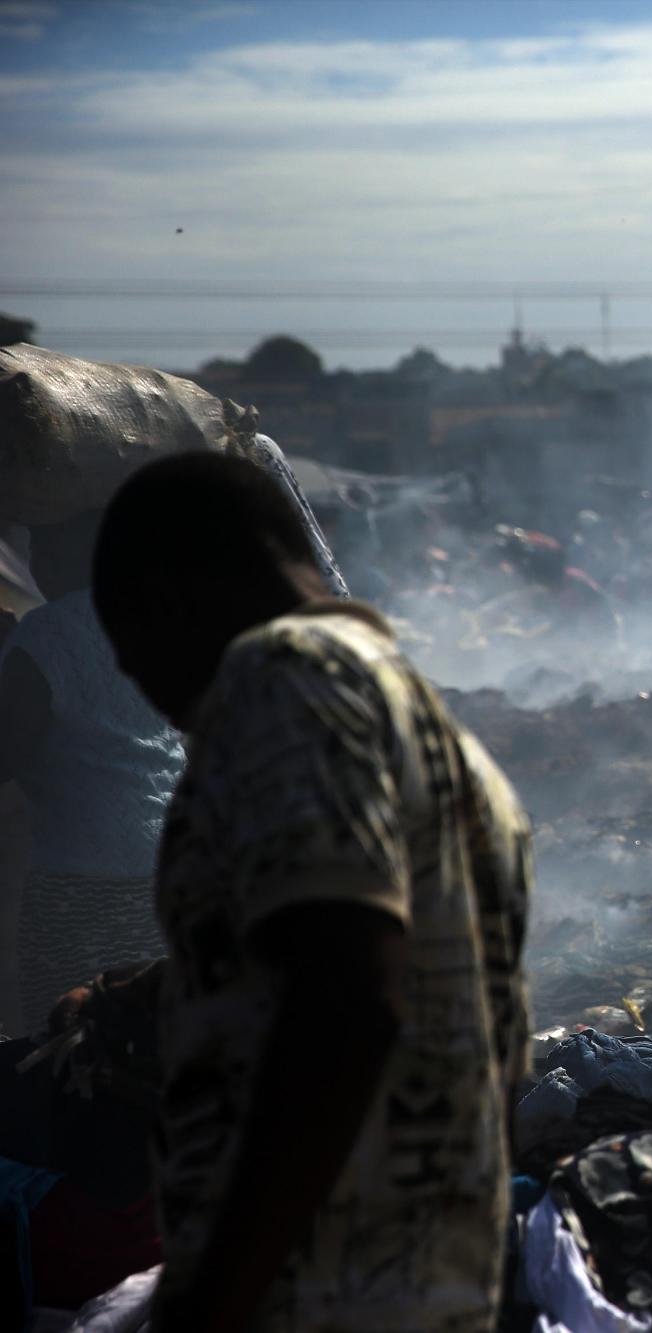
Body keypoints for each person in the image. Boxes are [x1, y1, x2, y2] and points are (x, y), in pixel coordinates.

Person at [91, 452, 532, 1333]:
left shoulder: (281, 678)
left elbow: (346, 1002)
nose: (160, 704)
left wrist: (210, 1304)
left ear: (169, 600)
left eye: (135, 663)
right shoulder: (429, 726)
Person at [0, 507, 183, 1029]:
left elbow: (6, 753)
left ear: (62, 555)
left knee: (65, 1037)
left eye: (40, 548)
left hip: (83, 876)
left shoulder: (45, 634)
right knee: (148, 1033)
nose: (33, 563)